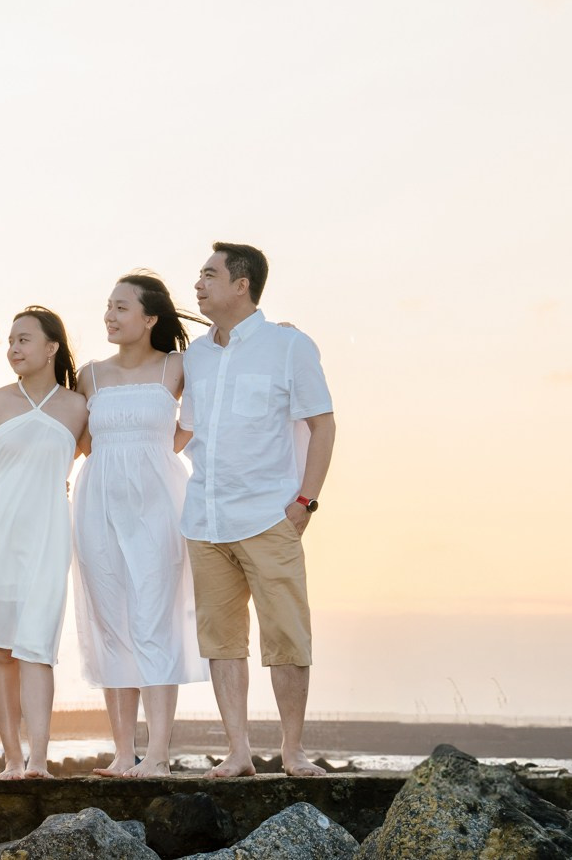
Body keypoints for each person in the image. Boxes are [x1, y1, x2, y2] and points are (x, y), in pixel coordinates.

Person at [182, 241, 336, 778]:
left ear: (241, 284)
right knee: (221, 641)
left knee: (288, 636)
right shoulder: (194, 356)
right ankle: (239, 751)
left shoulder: (288, 347)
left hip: (269, 516)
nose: (197, 284)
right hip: (205, 519)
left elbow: (323, 423)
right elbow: (180, 426)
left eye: (208, 274)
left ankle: (292, 751)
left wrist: (305, 502)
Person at [71, 271, 206, 777]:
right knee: (112, 620)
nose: (110, 315)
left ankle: (158, 753)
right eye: (108, 306)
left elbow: (190, 426)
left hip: (158, 504)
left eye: (122, 307)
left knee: (155, 619)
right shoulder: (90, 375)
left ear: (150, 317)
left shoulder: (177, 367)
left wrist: (150, 460)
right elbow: (81, 441)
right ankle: (123, 751)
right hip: (97, 501)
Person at [0, 306, 89, 780]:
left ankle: (39, 759)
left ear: (52, 347)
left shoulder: (78, 407)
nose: (14, 349)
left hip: (47, 538)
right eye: (11, 341)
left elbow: (88, 457)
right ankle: (12, 758)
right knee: (2, 648)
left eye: (24, 340)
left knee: (38, 646)